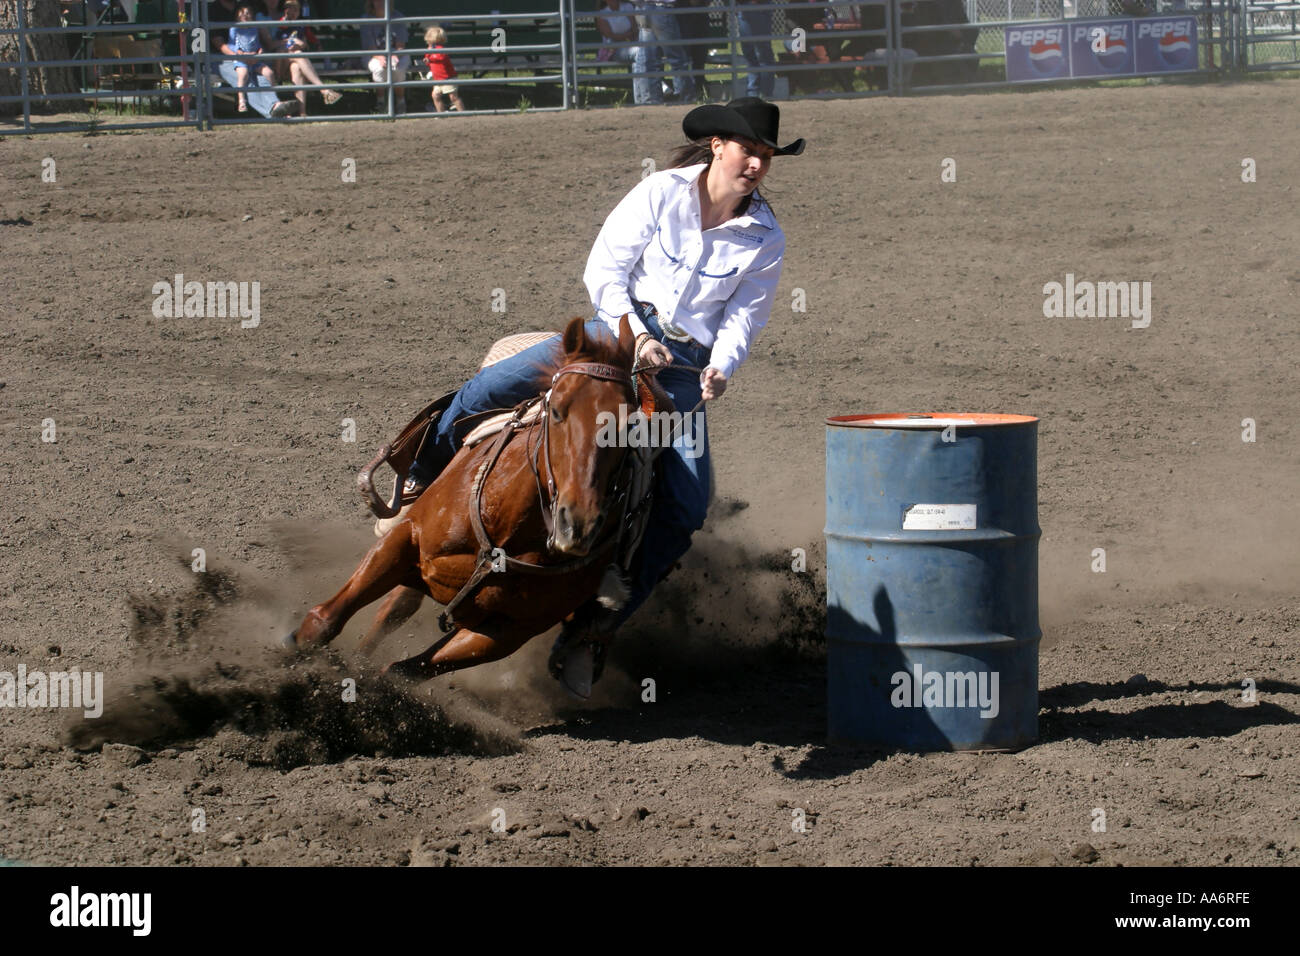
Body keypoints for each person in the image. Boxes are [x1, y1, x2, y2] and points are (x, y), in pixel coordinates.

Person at [396, 98, 805, 692]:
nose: (758, 165)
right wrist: (637, 337)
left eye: (767, 157)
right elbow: (605, 272)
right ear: (718, 145)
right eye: (750, 151)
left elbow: (745, 317)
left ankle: (589, 629)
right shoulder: (660, 193)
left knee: (686, 507)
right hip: (611, 338)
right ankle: (423, 466)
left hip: (684, 369)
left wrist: (722, 367)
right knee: (494, 384)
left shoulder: (766, 237)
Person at [276, 0, 343, 114]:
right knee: (298, 54)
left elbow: (310, 39)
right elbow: (282, 28)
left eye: (296, 10)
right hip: (279, 63)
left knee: (297, 68)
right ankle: (323, 90)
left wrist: (306, 44)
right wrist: (291, 41)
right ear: (285, 10)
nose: (292, 12)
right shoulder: (280, 23)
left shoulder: (301, 25)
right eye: (289, 9)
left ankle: (302, 113)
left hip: (293, 61)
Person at [637, 0, 696, 102]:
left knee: (649, 59)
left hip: (644, 9)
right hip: (662, 8)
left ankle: (651, 100)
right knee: (676, 58)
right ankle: (686, 97)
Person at [360, 0, 410, 113]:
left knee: (398, 68)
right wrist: (380, 57)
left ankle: (401, 102)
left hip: (396, 51)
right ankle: (381, 102)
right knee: (379, 68)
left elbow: (400, 44)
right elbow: (370, 46)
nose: (381, 2)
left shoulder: (398, 16)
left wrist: (395, 55)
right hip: (373, 53)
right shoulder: (366, 18)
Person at [227, 2, 274, 112]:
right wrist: (239, 52)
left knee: (269, 73)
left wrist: (259, 50)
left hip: (255, 59)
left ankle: (272, 99)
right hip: (241, 60)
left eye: (248, 13)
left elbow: (256, 43)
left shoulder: (254, 28)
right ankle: (242, 101)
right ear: (237, 16)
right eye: (242, 13)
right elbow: (231, 44)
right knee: (243, 74)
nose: (245, 16)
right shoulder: (234, 29)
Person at [736, 0, 776, 99]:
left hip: (759, 8)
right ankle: (753, 94)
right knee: (750, 53)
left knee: (762, 53)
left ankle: (765, 94)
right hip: (744, 8)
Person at [422, 25, 464, 112]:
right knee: (435, 96)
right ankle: (441, 114)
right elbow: (429, 61)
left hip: (448, 78)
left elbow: (440, 58)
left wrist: (429, 59)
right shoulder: (429, 50)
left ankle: (463, 114)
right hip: (437, 79)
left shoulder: (440, 49)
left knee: (453, 97)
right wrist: (427, 60)